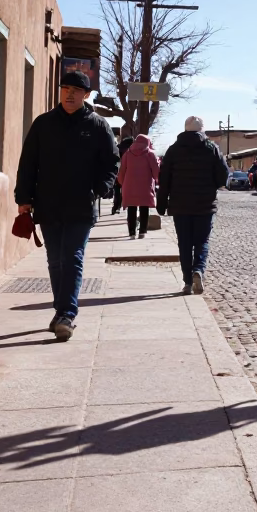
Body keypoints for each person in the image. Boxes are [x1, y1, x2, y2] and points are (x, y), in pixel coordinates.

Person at [15, 70, 119, 341]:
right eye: (65, 89)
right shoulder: (43, 124)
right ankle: (61, 310)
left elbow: (111, 162)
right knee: (55, 261)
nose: (69, 94)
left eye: (75, 90)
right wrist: (23, 199)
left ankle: (67, 314)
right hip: (47, 204)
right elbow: (28, 163)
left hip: (81, 206)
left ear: (86, 95)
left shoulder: (97, 126)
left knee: (72, 257)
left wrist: (101, 187)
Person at [157, 116, 229, 295]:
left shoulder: (173, 150)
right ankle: (198, 269)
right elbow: (223, 174)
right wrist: (213, 184)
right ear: (202, 130)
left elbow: (164, 178)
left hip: (180, 205)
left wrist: (161, 202)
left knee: (184, 243)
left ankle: (188, 282)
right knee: (202, 241)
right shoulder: (211, 148)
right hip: (205, 204)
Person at [116, 134, 159, 238]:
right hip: (145, 186)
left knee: (131, 208)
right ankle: (142, 231)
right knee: (144, 208)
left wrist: (122, 183)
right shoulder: (150, 154)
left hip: (129, 186)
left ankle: (131, 232)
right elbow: (156, 172)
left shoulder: (127, 154)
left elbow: (122, 171)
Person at [111, 132, 135, 215]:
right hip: (128, 173)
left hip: (118, 172)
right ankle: (125, 206)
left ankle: (116, 207)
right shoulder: (131, 150)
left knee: (117, 190)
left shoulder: (118, 148)